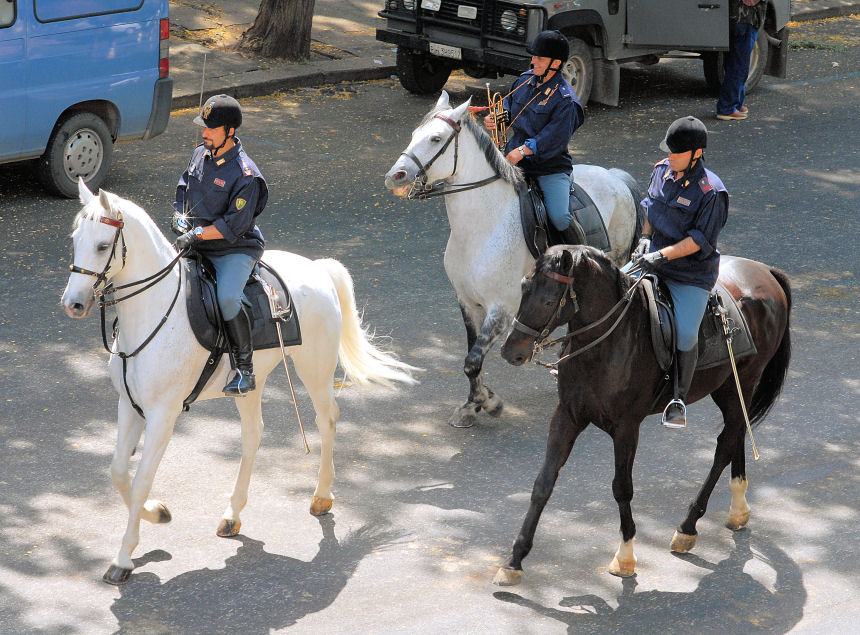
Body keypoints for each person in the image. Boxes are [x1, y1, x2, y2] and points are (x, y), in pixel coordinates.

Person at [631, 116, 728, 428]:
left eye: (676, 153)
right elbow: (650, 208)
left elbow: (699, 241)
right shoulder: (661, 170)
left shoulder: (711, 192)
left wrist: (662, 255)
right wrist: (645, 240)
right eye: (668, 151)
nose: (669, 157)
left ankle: (678, 398)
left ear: (696, 154)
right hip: (653, 258)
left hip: (689, 274)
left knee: (685, 332)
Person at [174, 94, 269, 396]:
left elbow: (233, 226)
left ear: (229, 131)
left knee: (227, 298)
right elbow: (184, 184)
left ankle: (244, 369)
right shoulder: (200, 153)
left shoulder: (246, 175)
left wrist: (196, 235)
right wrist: (180, 215)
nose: (204, 133)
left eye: (211, 129)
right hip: (198, 240)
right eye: (203, 126)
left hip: (234, 248)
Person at [484, 30, 584, 232]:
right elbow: (507, 105)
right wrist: (496, 118)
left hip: (548, 166)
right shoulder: (523, 81)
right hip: (512, 158)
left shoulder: (566, 101)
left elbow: (554, 138)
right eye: (534, 56)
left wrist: (522, 151)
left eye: (540, 58)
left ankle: (576, 256)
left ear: (555, 64)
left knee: (559, 217)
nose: (534, 61)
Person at [716, 0, 766, 121]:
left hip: (738, 16)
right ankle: (728, 107)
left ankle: (736, 103)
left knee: (734, 63)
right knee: (739, 66)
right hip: (746, 17)